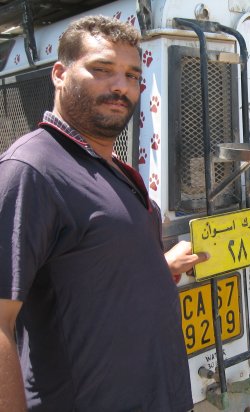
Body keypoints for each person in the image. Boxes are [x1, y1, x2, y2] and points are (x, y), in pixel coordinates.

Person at [0, 16, 208, 411]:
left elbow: (86, 268)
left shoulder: (110, 167)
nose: (121, 86)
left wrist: (159, 268)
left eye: (132, 75)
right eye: (101, 69)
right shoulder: (31, 170)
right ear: (60, 74)